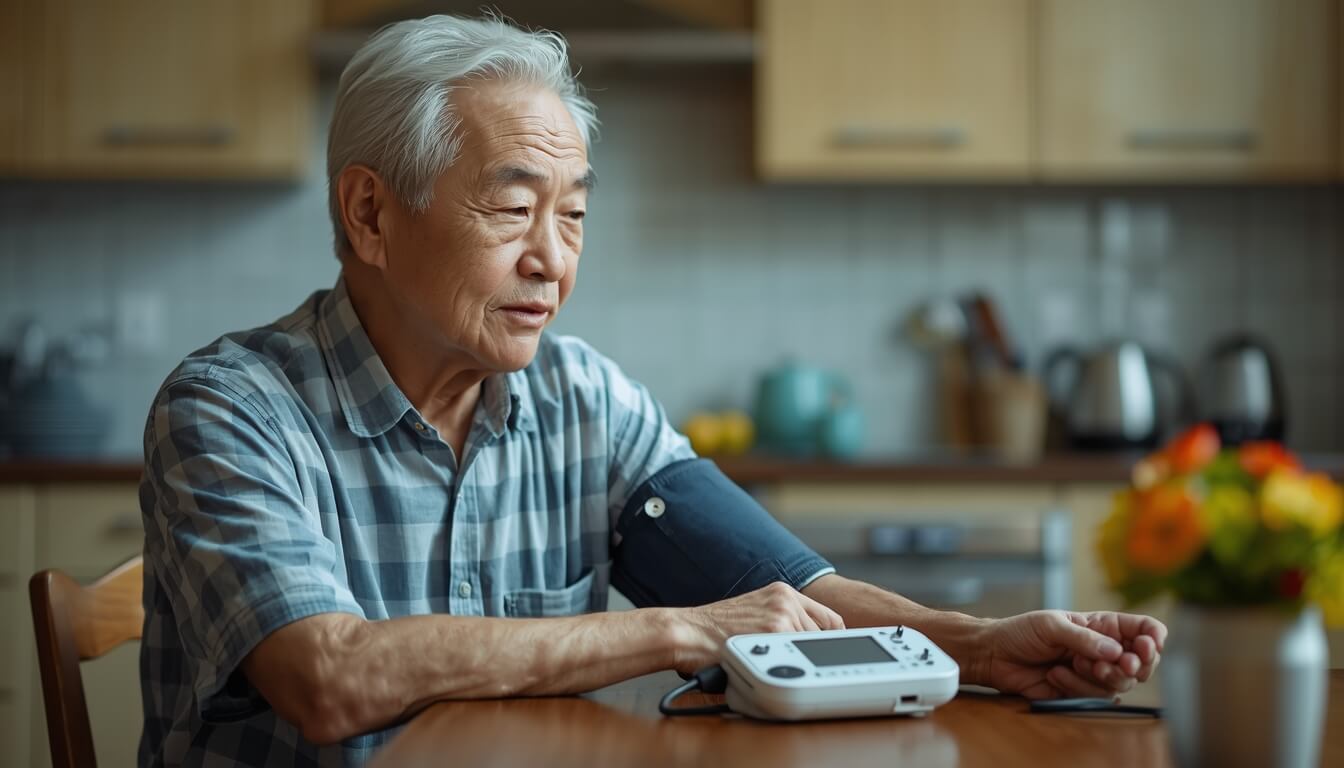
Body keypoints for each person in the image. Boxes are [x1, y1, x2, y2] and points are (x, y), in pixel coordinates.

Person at [138, 15, 1166, 766]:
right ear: (370, 214)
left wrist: (981, 644)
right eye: (513, 210)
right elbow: (329, 679)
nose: (553, 261)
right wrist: (680, 630)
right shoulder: (231, 411)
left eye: (574, 216)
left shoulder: (586, 400)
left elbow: (792, 597)